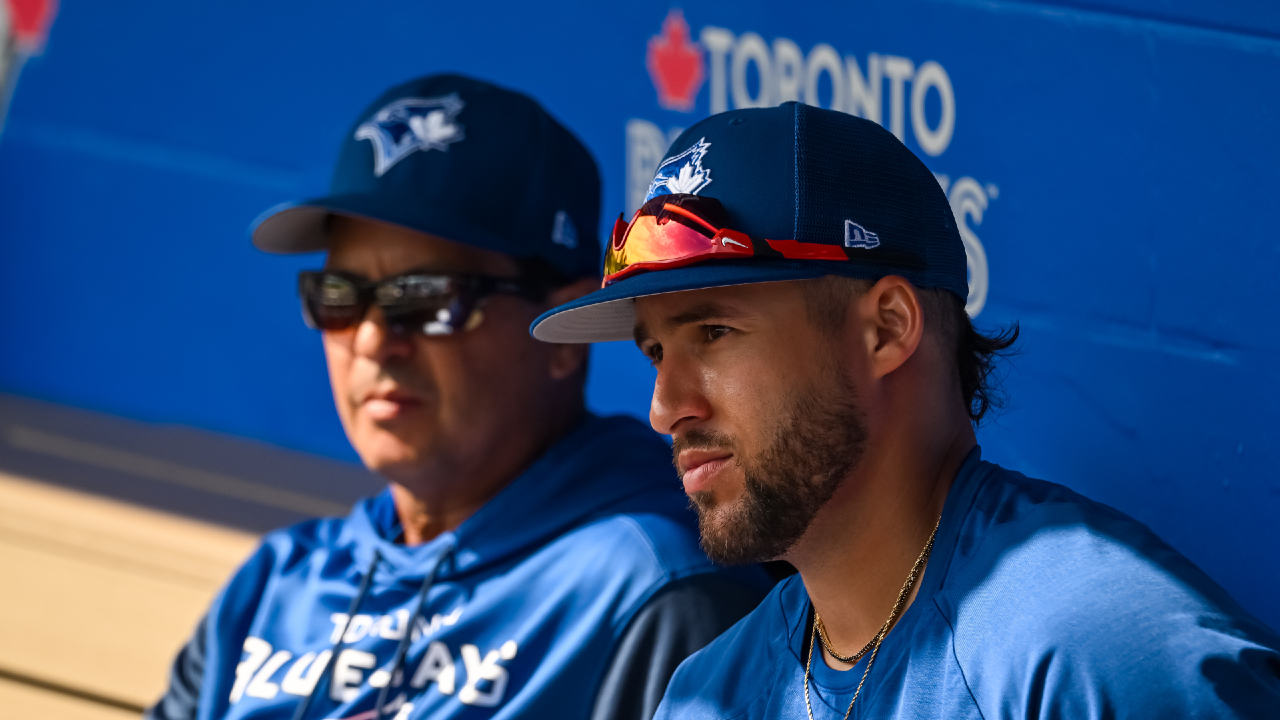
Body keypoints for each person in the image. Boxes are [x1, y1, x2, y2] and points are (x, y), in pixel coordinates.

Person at [531, 102, 1280, 718]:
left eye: (714, 332)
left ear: (886, 328)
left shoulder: (1098, 656)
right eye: (656, 352)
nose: (666, 408)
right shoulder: (706, 696)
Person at [146, 74, 770, 720]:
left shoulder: (654, 587)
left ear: (560, 331)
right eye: (338, 297)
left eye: (426, 299)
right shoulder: (275, 586)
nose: (371, 339)